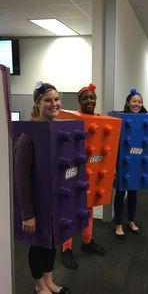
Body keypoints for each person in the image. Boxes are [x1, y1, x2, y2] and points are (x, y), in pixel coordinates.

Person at [15, 82, 70, 294]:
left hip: (54, 201)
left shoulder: (56, 130)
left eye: (56, 99)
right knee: (39, 244)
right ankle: (39, 285)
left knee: (52, 241)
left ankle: (49, 280)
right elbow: (21, 176)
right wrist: (27, 214)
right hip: (38, 203)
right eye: (48, 100)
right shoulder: (29, 135)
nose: (54, 103)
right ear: (37, 103)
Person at [61, 83, 105, 270]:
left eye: (92, 97)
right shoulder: (71, 120)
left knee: (88, 211)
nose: (89, 101)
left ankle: (87, 242)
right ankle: (66, 249)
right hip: (74, 171)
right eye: (85, 98)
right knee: (70, 211)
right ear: (79, 101)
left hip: (92, 172)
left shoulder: (102, 121)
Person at [114, 88, 148, 239]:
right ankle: (118, 224)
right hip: (121, 162)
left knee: (133, 193)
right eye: (134, 101)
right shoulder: (120, 119)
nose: (137, 104)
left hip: (135, 162)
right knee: (120, 193)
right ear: (128, 102)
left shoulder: (145, 119)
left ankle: (131, 221)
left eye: (139, 101)